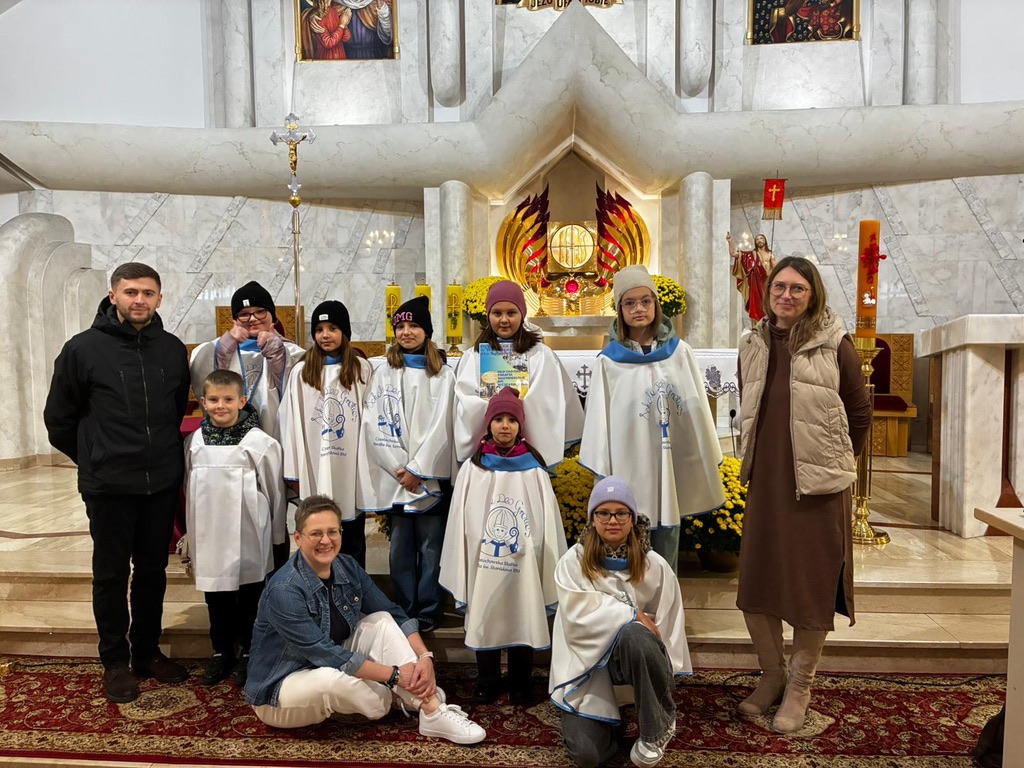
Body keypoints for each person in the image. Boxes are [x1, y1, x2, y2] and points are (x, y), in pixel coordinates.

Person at [43, 262, 191, 703]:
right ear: (113, 296)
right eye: (130, 292)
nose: (139, 300)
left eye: (147, 292)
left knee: (152, 571)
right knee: (110, 575)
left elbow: (174, 411)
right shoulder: (82, 349)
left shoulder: (171, 349)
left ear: (159, 298)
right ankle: (114, 661)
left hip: (159, 483)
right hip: (108, 485)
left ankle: (146, 651)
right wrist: (96, 457)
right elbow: (59, 420)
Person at [736, 255, 872, 733]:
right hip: (766, 480)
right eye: (780, 286)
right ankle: (772, 674)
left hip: (817, 488)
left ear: (813, 295)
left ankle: (799, 686)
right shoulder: (751, 344)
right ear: (767, 290)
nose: (787, 295)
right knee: (757, 582)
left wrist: (833, 461)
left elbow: (859, 411)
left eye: (798, 288)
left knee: (810, 586)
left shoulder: (834, 343)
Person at [244, 494, 486, 745]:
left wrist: (425, 657)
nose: (326, 540)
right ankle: (404, 694)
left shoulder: (346, 566)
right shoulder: (284, 590)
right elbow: (326, 654)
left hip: (328, 659)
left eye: (332, 531)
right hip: (281, 687)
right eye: (316, 533)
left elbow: (393, 612)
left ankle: (431, 710)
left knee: (381, 621)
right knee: (376, 701)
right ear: (298, 538)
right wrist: (394, 676)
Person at [579, 265, 725, 573]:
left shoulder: (679, 353)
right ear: (620, 310)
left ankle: (667, 595)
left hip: (669, 459)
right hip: (629, 461)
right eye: (630, 303)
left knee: (669, 526)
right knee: (629, 531)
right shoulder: (609, 363)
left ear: (656, 305)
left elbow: (696, 409)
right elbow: (599, 423)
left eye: (645, 301)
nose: (639, 309)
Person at [440, 387, 567, 705]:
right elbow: (461, 516)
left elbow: (545, 519)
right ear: (489, 424)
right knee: (486, 610)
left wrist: (536, 548)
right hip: (483, 557)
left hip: (524, 560)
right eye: (499, 419)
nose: (505, 426)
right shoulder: (474, 467)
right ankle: (488, 679)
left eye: (512, 419)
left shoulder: (533, 469)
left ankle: (521, 680)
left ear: (520, 425)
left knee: (523, 609)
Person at [550, 477, 689, 768]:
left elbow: (668, 623)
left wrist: (661, 672)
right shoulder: (572, 562)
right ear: (592, 518)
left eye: (621, 513)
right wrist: (632, 613)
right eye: (603, 513)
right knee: (588, 757)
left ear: (633, 517)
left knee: (635, 636)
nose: (612, 520)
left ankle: (657, 727)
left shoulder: (654, 565)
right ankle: (609, 720)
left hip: (634, 662)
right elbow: (576, 617)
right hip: (588, 671)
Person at [184, 369, 287, 687]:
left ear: (242, 401)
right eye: (214, 400)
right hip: (209, 533)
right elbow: (190, 488)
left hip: (248, 534)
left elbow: (275, 491)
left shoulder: (259, 442)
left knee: (249, 596)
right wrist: (191, 535)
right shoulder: (195, 441)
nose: (221, 406)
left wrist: (277, 535)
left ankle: (251, 651)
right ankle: (222, 651)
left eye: (228, 399)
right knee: (216, 597)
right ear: (203, 402)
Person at [358, 295, 455, 633]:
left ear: (427, 331)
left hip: (428, 477)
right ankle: (402, 607)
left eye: (414, 325)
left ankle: (428, 607)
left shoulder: (443, 374)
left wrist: (419, 468)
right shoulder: (383, 372)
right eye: (401, 326)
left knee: (430, 547)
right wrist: (400, 467)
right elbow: (374, 421)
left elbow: (444, 425)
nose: (407, 332)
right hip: (397, 477)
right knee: (399, 548)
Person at [279, 300, 373, 566]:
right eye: (319, 329)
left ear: (345, 332)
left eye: (333, 328)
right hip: (315, 463)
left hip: (350, 466)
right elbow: (290, 421)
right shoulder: (302, 371)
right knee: (318, 534)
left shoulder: (361, 369)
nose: (325, 335)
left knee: (352, 536)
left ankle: (353, 586)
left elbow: (370, 420)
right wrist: (294, 472)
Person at [453, 279, 584, 469]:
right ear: (488, 315)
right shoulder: (473, 356)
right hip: (484, 459)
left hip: (531, 458)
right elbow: (464, 401)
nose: (504, 320)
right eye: (497, 313)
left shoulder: (542, 355)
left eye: (511, 313)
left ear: (522, 315)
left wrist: (512, 407)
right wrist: (497, 407)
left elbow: (550, 400)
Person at [189, 280, 305, 442]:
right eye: (244, 314)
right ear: (235, 320)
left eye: (260, 311)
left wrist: (277, 354)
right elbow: (203, 378)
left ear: (273, 316)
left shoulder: (292, 352)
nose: (253, 319)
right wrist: (226, 346)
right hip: (232, 444)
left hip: (278, 436)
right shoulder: (218, 349)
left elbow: (299, 396)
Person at [726, 232, 776, 323]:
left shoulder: (770, 255)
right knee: (756, 307)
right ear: (755, 242)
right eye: (757, 239)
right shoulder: (750, 255)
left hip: (767, 284)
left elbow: (776, 270)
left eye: (761, 238)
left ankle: (767, 326)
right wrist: (730, 241)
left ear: (765, 241)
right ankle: (756, 328)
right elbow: (733, 253)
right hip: (755, 286)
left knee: (767, 307)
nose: (760, 240)